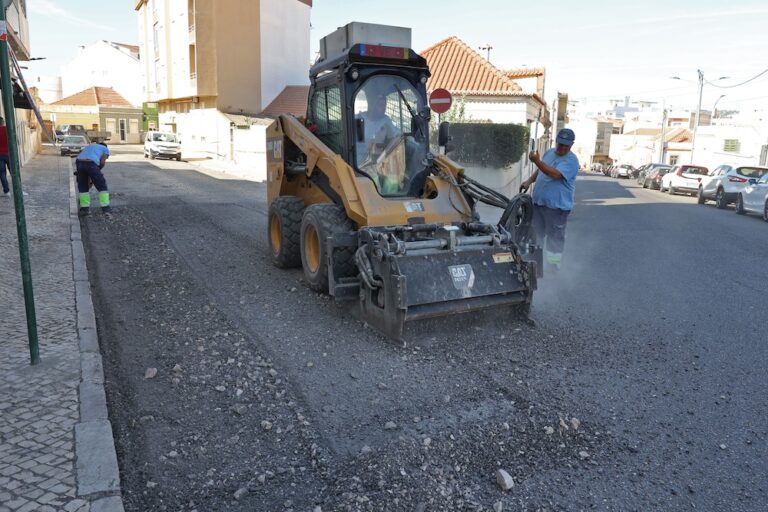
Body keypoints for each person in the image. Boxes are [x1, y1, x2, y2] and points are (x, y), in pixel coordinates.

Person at [520, 128, 579, 272]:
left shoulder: (571, 161)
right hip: (539, 205)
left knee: (554, 239)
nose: (562, 147)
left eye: (566, 145)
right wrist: (528, 181)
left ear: (571, 145)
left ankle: (553, 267)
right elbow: (541, 170)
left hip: (557, 209)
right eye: (560, 144)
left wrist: (537, 161)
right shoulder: (549, 153)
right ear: (556, 141)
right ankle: (535, 265)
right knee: (535, 235)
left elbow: (554, 174)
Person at [75, 142, 111, 216]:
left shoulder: (90, 146)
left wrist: (90, 177)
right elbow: (102, 162)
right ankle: (106, 209)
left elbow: (83, 157)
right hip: (91, 163)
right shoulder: (105, 149)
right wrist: (97, 171)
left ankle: (84, 209)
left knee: (83, 186)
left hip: (79, 162)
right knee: (102, 185)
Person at [0, 117, 9, 196]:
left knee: (2, 173)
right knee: (14, 173)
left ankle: (6, 191)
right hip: (9, 154)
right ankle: (19, 190)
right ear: (2, 122)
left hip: (0, 155)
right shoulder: (7, 129)